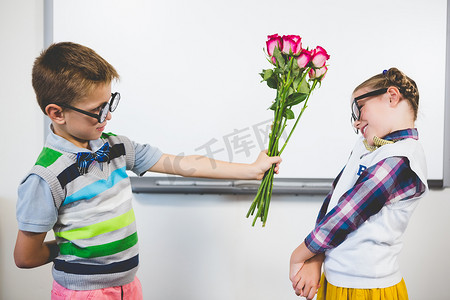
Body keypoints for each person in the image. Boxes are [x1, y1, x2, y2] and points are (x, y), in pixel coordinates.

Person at [14, 42, 282, 299]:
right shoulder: (46, 177)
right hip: (83, 293)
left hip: (127, 286)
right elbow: (26, 256)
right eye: (97, 110)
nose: (108, 116)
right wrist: (68, 247)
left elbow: (182, 164)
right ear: (57, 113)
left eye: (110, 103)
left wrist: (251, 170)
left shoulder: (116, 146)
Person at [289, 67, 428, 300]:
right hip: (336, 279)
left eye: (359, 108)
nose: (356, 123)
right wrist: (316, 258)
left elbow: (347, 214)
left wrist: (299, 255)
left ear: (391, 96)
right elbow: (336, 201)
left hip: (367, 289)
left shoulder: (402, 158)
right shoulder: (368, 147)